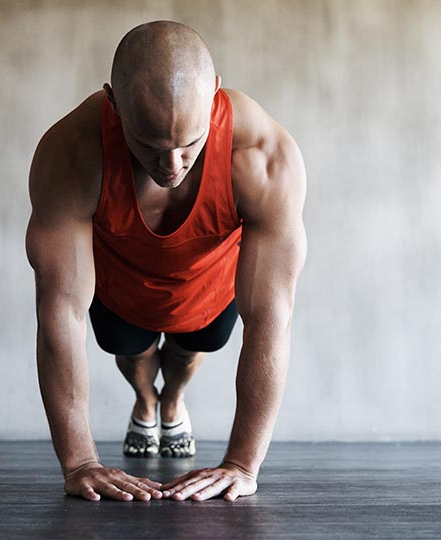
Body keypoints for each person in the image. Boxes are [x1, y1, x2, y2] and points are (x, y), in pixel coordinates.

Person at [25, 20, 307, 503]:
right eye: (151, 147)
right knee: (133, 355)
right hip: (119, 292)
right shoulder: (73, 155)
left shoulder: (262, 156)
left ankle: (171, 400)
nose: (172, 166)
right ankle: (146, 398)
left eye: (190, 145)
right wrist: (80, 463)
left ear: (215, 96)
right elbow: (60, 313)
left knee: (187, 354)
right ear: (113, 106)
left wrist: (243, 464)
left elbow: (271, 317)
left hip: (211, 290)